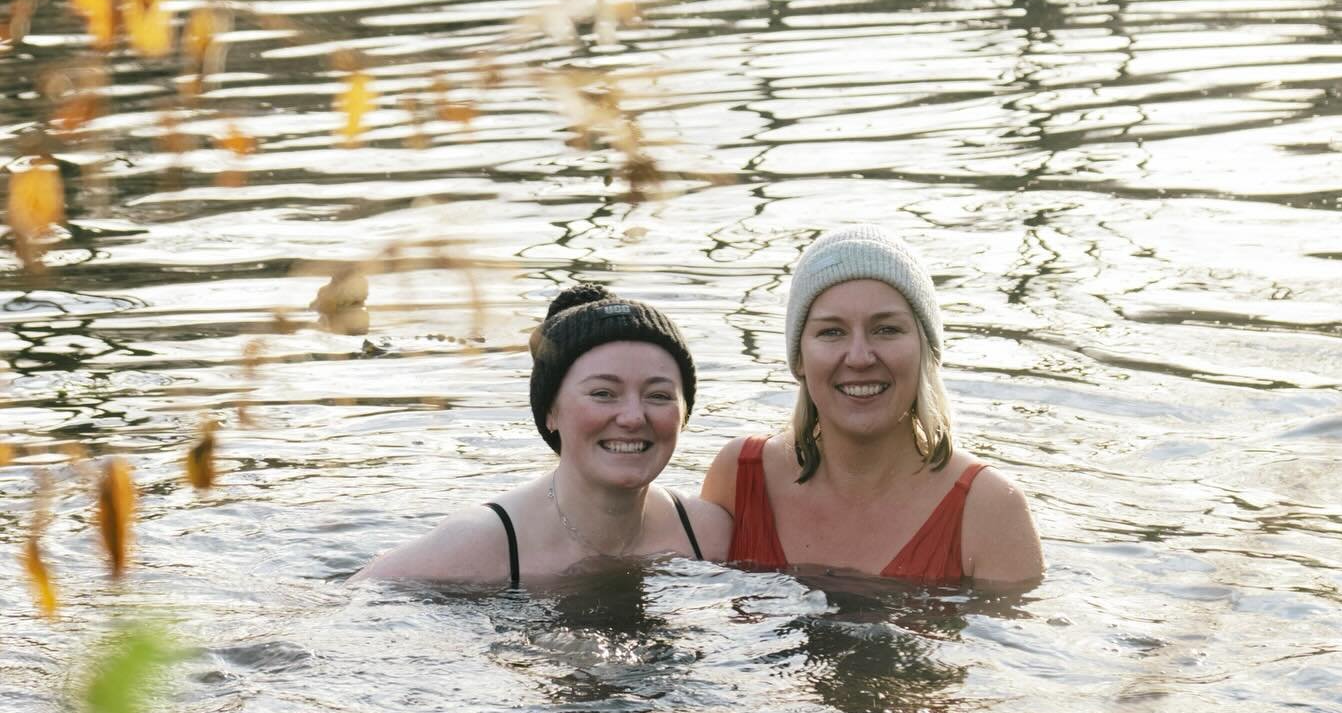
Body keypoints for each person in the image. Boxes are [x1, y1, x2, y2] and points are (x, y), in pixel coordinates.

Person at [702, 226, 1043, 588]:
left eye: (886, 330)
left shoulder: (988, 508)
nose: (860, 357)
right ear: (799, 358)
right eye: (832, 332)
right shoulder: (740, 475)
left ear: (926, 352)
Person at [356, 284, 731, 587]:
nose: (633, 417)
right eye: (603, 393)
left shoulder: (710, 534)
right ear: (551, 412)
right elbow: (344, 609)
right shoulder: (478, 545)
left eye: (659, 396)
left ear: (683, 415)